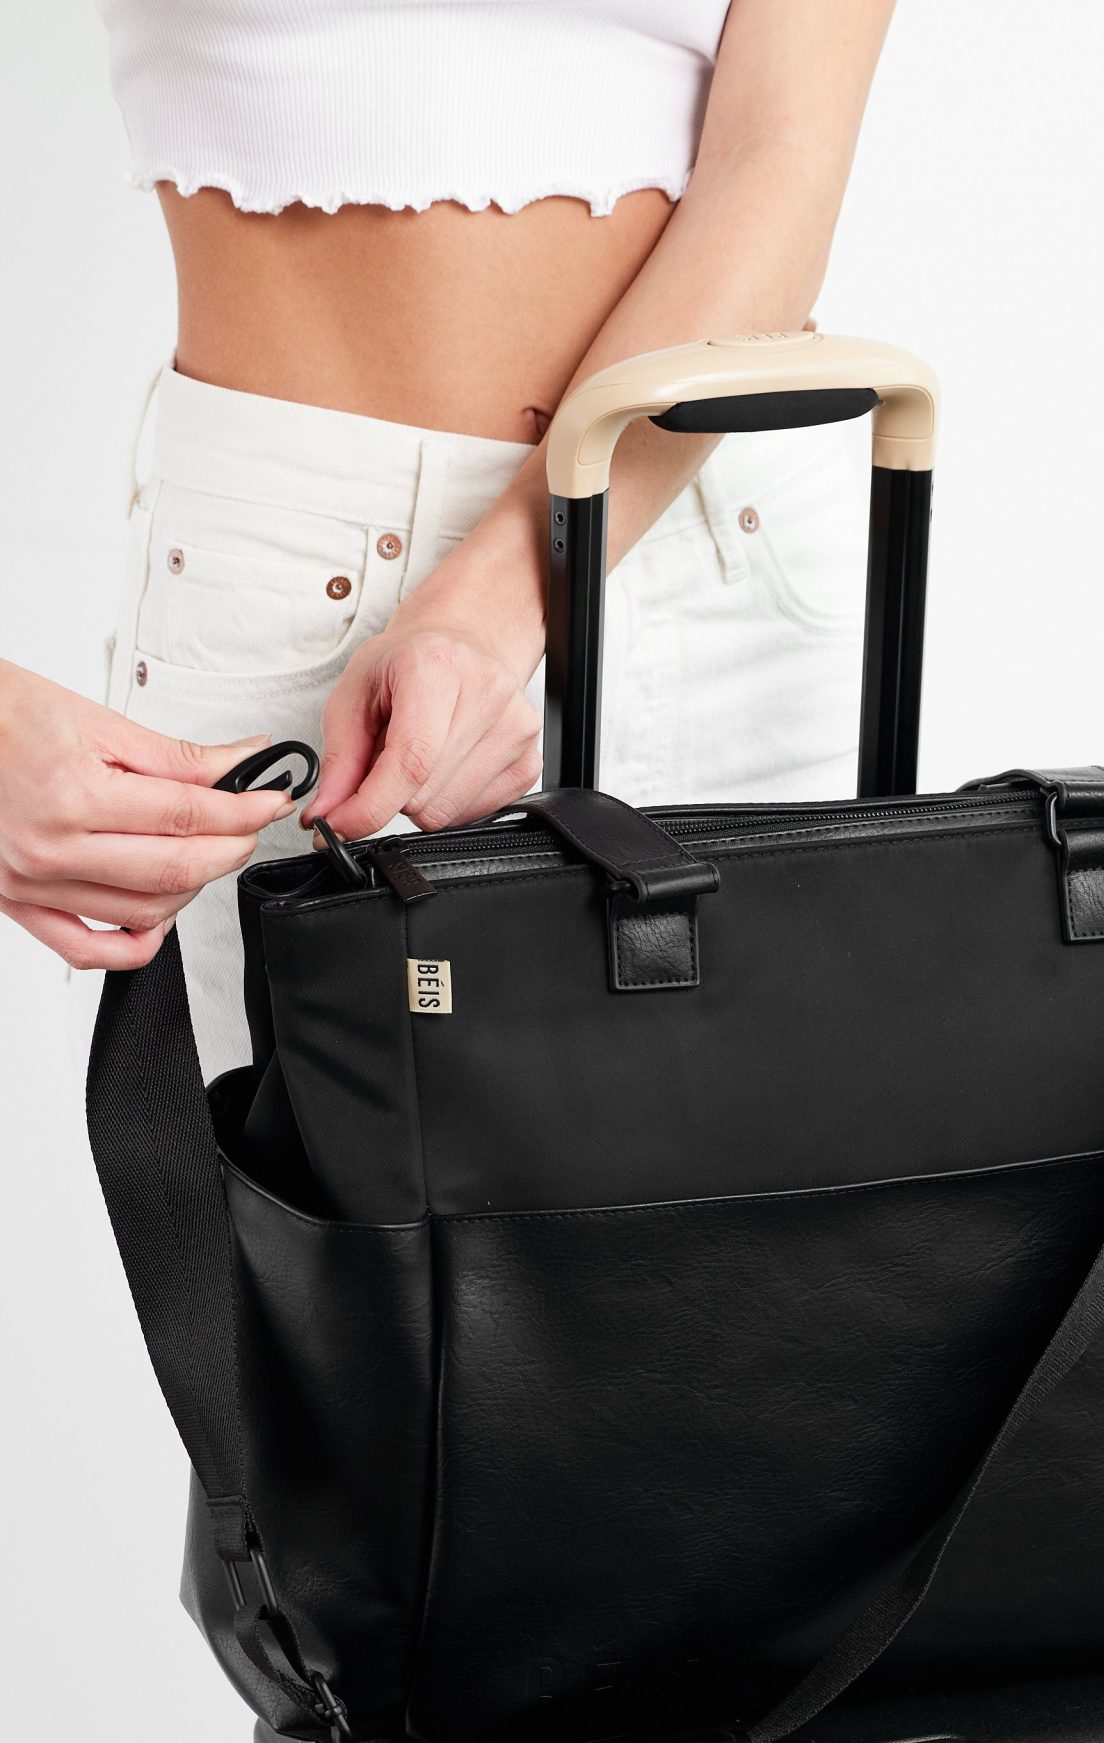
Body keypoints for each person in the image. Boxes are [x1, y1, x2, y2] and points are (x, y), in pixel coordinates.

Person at [0, 0, 895, 1070]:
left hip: (729, 567)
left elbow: (783, 155)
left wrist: (493, 607)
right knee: (271, 1168)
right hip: (308, 606)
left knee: (793, 1164)